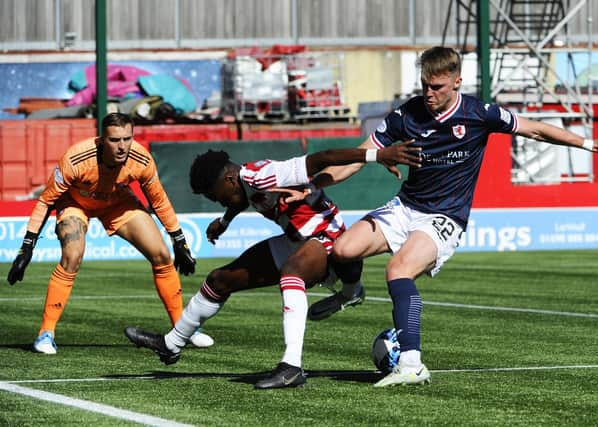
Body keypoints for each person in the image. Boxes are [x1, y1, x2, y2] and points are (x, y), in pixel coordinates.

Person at [306, 46, 598, 387]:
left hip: (444, 216)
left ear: (457, 82)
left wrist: (589, 143)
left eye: (438, 88)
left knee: (398, 269)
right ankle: (351, 291)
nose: (429, 95)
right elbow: (358, 157)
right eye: (425, 86)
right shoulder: (406, 115)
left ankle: (412, 364)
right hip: (406, 206)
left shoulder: (480, 114)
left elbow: (534, 129)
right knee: (343, 250)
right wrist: (312, 183)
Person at [123, 141, 421, 389]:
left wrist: (377, 155)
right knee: (219, 280)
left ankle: (292, 366)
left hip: (325, 237)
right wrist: (225, 221)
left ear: (229, 180)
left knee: (292, 273)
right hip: (296, 240)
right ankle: (171, 344)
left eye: (215, 195)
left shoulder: (265, 175)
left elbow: (322, 158)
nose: (216, 201)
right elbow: (239, 201)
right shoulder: (241, 185)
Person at [6, 112, 213, 354]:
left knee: (162, 255)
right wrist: (27, 247)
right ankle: (45, 334)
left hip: (117, 202)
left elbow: (159, 200)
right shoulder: (76, 158)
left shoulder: (141, 159)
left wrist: (179, 240)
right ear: (102, 139)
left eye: (127, 138)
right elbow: (45, 202)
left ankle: (182, 330)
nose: (122, 146)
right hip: (75, 203)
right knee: (72, 256)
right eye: (115, 140)